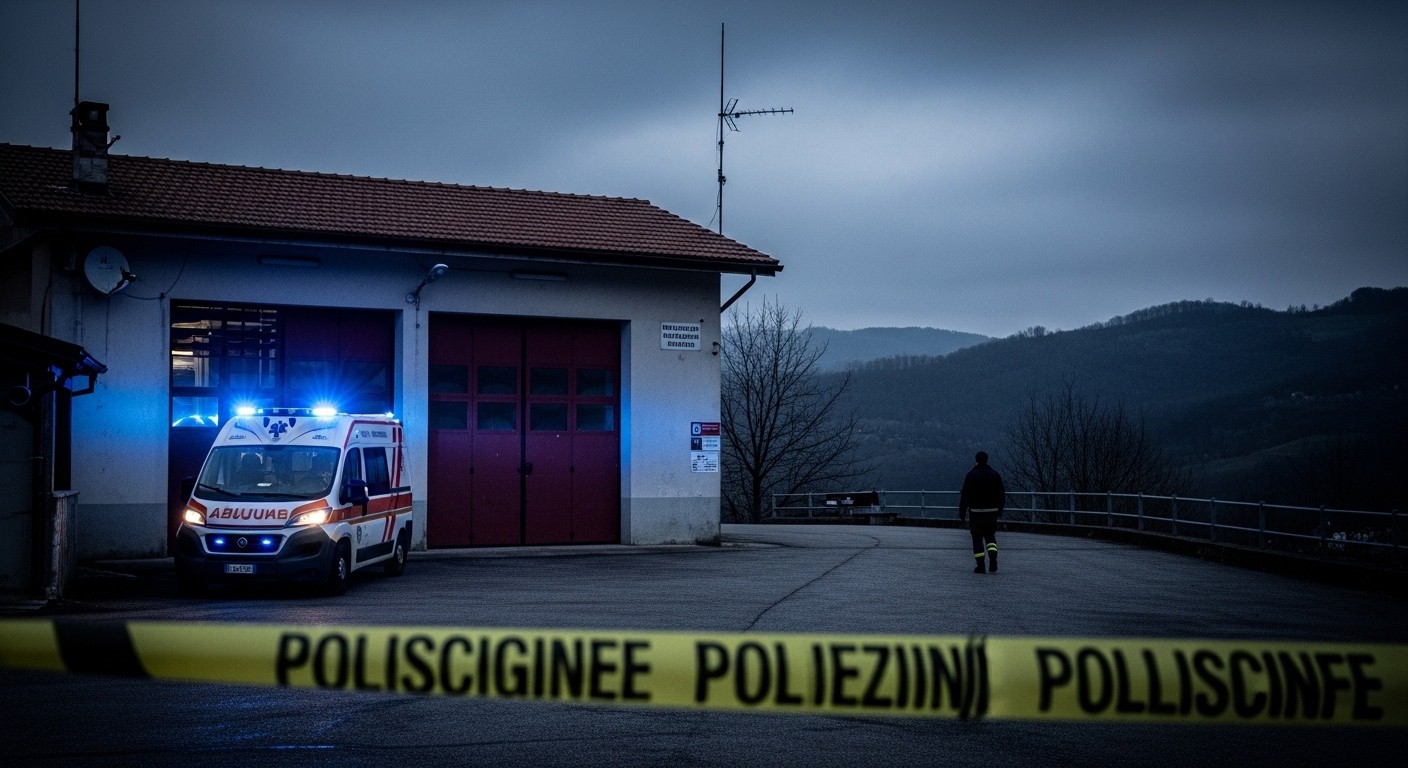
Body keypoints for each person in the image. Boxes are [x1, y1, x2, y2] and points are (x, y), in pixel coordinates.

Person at [958, 451, 1005, 574]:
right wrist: (1000, 510)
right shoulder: (995, 475)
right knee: (990, 537)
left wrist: (962, 513)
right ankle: (993, 559)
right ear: (987, 460)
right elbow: (1002, 494)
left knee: (977, 538)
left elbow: (965, 496)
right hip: (992, 513)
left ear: (976, 460)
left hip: (976, 513)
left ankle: (981, 565)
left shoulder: (971, 475)